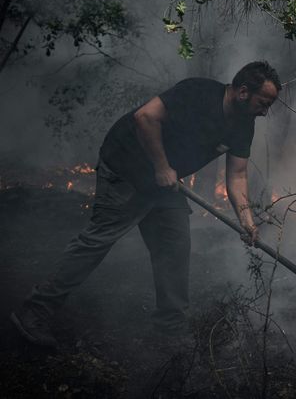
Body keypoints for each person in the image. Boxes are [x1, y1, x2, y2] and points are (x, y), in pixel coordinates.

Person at [11, 61, 281, 347]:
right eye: (263, 103)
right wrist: (162, 166)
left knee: (174, 246)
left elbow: (237, 176)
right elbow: (145, 117)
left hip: (165, 184)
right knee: (97, 242)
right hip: (126, 167)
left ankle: (170, 328)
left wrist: (247, 221)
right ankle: (34, 311)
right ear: (242, 92)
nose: (264, 112)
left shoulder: (243, 125)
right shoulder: (197, 93)